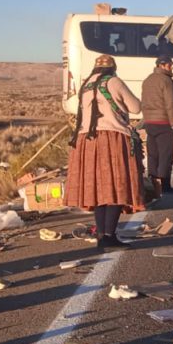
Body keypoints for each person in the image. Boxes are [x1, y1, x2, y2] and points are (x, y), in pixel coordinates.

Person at [66, 54, 144, 249]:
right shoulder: (113, 82)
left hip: (87, 141)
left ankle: (102, 235)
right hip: (112, 138)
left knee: (98, 189)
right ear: (112, 68)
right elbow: (136, 107)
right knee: (117, 185)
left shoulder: (86, 85)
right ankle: (109, 235)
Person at [141, 55, 173, 196]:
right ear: (162, 65)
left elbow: (143, 101)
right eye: (170, 65)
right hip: (164, 122)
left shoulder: (147, 80)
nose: (171, 68)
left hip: (150, 122)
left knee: (153, 154)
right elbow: (171, 104)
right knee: (166, 154)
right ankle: (165, 185)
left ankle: (153, 182)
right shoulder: (167, 81)